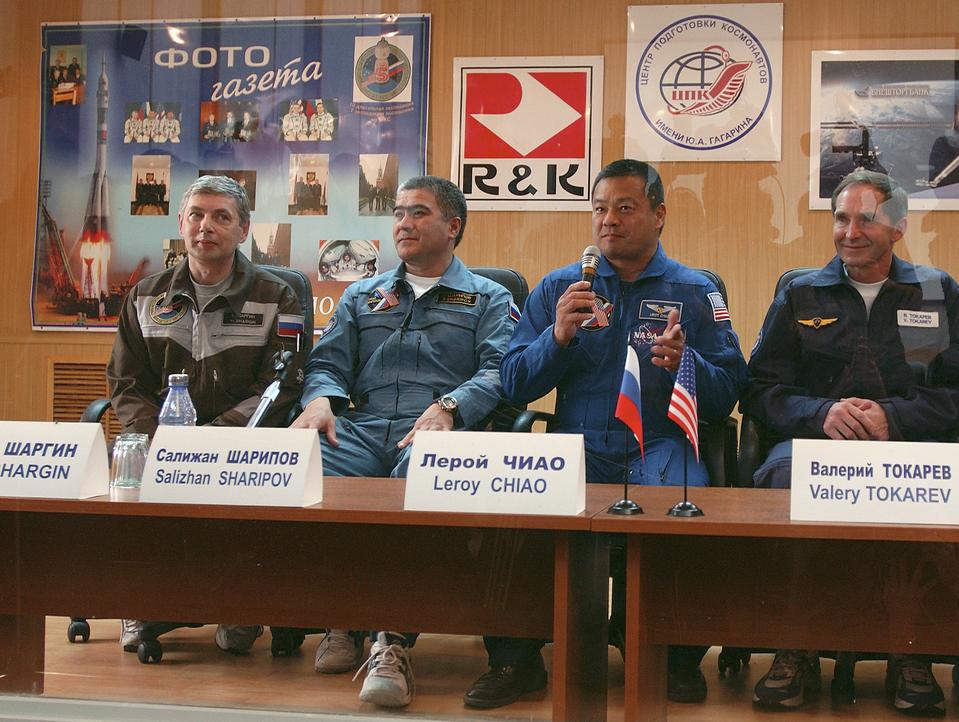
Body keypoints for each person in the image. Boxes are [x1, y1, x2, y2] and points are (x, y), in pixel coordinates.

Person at [491, 159, 748, 709]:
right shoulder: (562, 286)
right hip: (577, 444)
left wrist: (690, 364)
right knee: (515, 511)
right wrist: (555, 337)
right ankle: (515, 659)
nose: (609, 220)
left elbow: (733, 389)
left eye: (625, 208)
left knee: (688, 506)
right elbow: (513, 383)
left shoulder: (697, 290)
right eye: (600, 209)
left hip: (658, 442)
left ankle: (669, 656)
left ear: (659, 215)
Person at [740, 168, 959, 714]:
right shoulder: (802, 293)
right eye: (841, 218)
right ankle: (793, 645)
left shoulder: (933, 292)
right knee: (780, 475)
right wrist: (820, 413)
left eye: (866, 219)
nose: (850, 231)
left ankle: (910, 651)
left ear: (898, 228)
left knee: (936, 481)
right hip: (815, 448)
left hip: (906, 449)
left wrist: (894, 417)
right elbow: (759, 390)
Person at [291, 175, 513, 709]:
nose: (403, 224)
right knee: (299, 466)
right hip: (362, 427)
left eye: (418, 213)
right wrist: (319, 400)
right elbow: (327, 365)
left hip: (433, 429)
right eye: (397, 213)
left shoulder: (488, 296)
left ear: (452, 226)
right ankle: (340, 616)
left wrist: (450, 407)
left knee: (416, 480)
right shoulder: (364, 293)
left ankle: (390, 637)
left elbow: (501, 370)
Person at [107, 174, 308, 656]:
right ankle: (143, 603)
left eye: (221, 216)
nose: (206, 227)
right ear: (181, 223)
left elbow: (282, 386)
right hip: (160, 441)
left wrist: (213, 438)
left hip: (244, 443)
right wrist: (156, 437)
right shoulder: (146, 296)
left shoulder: (279, 297)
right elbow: (125, 382)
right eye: (196, 215)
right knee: (125, 476)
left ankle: (239, 605)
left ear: (243, 230)